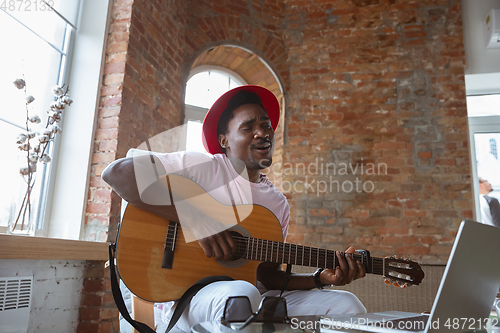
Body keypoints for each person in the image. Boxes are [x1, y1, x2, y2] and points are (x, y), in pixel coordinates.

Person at [102, 85, 367, 332]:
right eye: (248, 127)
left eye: (266, 125)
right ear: (224, 140)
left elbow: (266, 276)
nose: (262, 132)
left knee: (347, 305)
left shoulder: (277, 203)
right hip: (184, 297)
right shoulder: (203, 167)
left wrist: (320, 278)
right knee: (242, 295)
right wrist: (196, 219)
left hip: (247, 296)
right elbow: (117, 173)